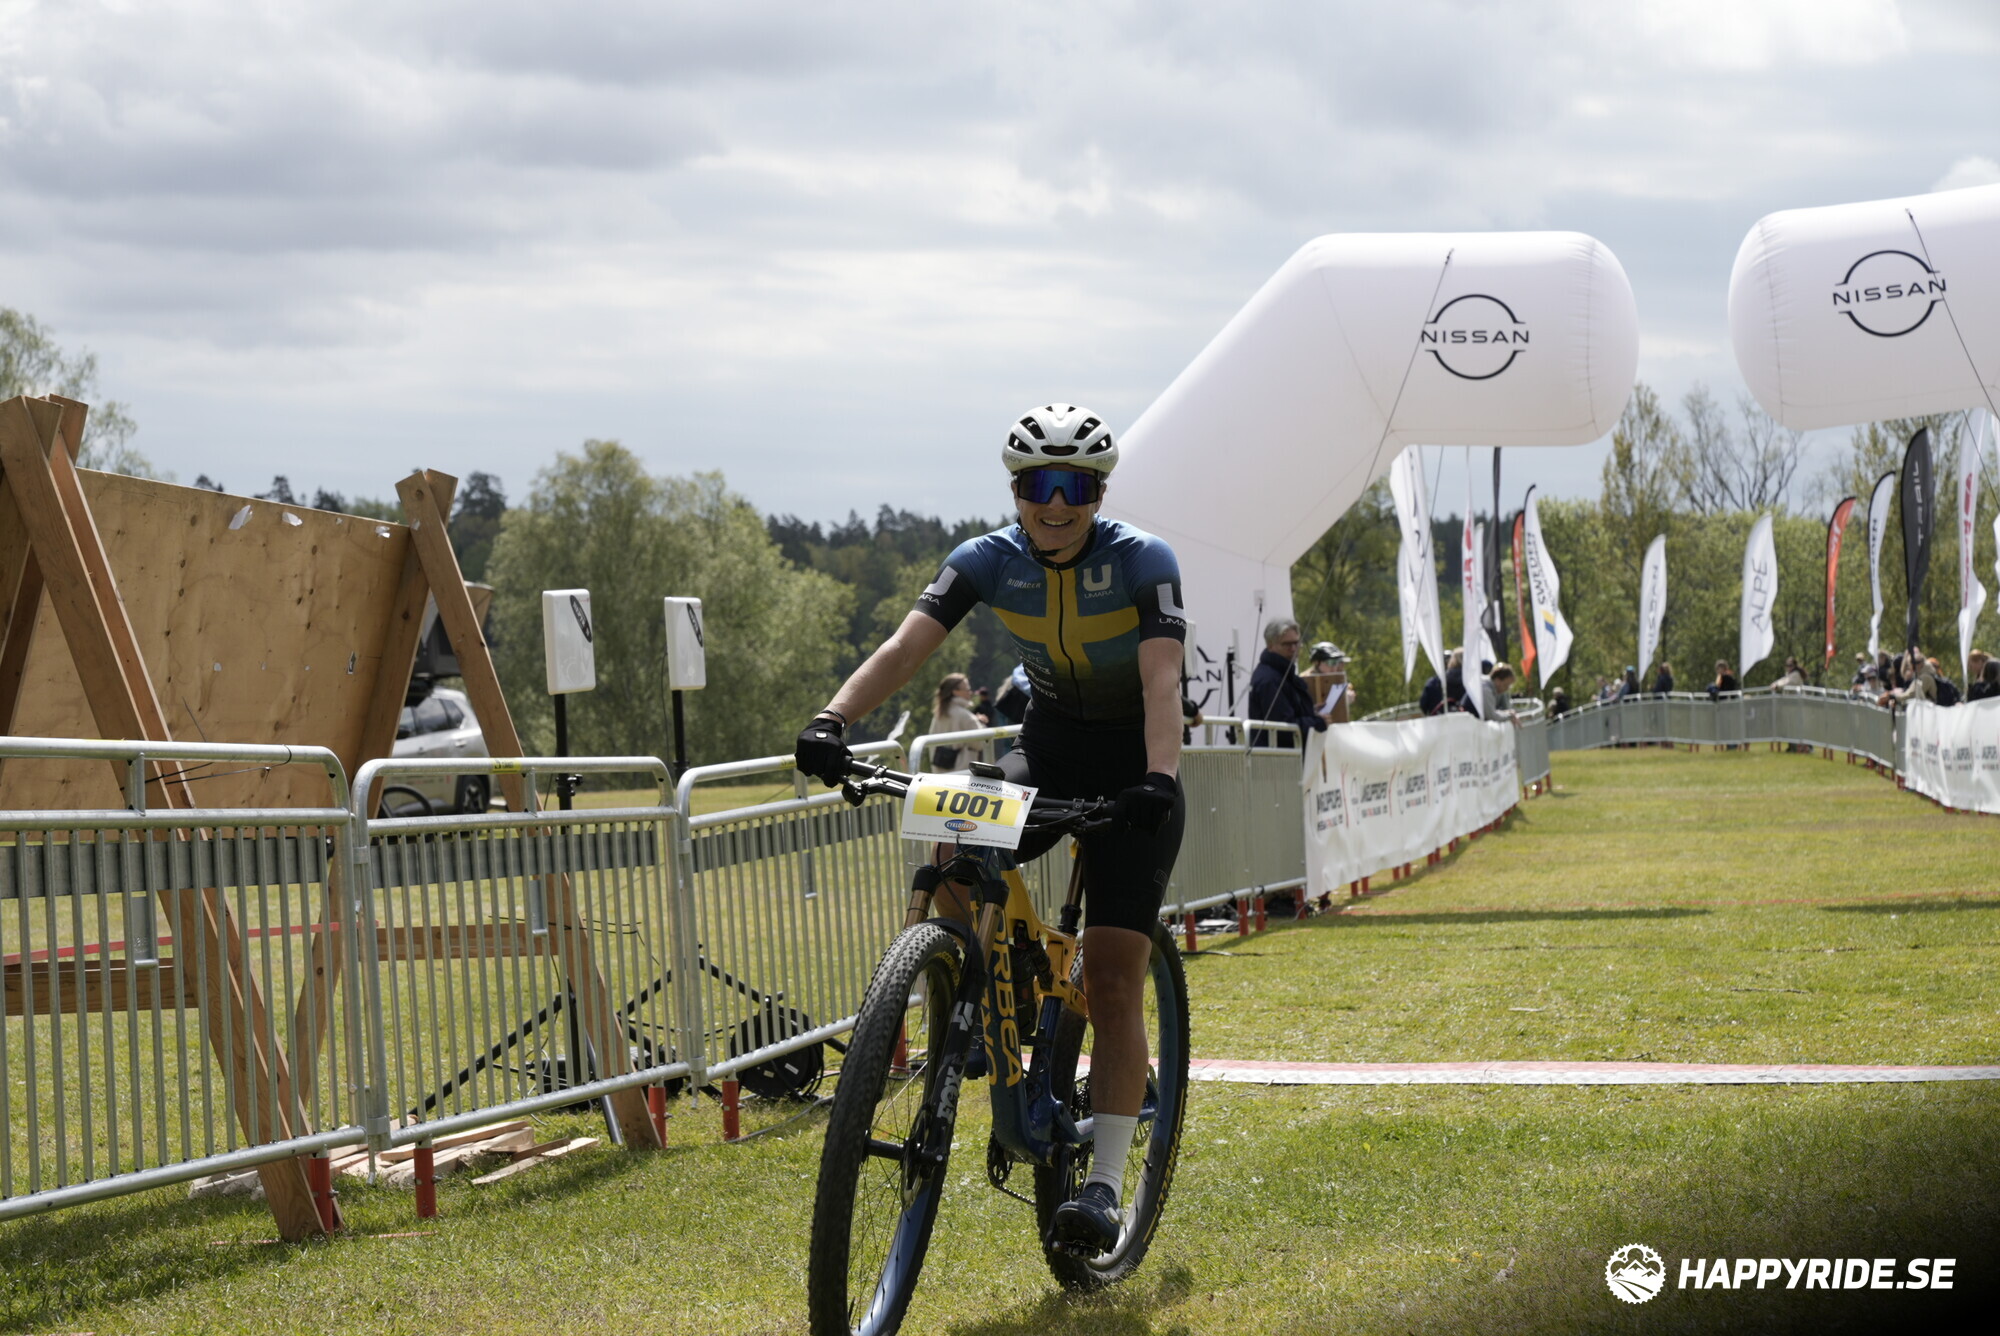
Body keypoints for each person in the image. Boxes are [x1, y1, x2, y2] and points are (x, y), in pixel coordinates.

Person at [793, 402, 1185, 1255]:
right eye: (1039, 485)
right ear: (1016, 491)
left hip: (1133, 768)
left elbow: (1163, 681)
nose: (1056, 503)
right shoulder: (985, 559)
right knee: (951, 843)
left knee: (1114, 981)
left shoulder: (1143, 560)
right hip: (1047, 750)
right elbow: (905, 649)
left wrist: (1159, 777)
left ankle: (1105, 1187)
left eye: (1074, 485)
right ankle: (976, 998)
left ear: (1098, 491)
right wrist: (832, 719)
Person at [1246, 618, 1328, 748]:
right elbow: (1284, 728)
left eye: (1296, 643)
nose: (1294, 648)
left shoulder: (1282, 673)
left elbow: (1287, 711)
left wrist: (1310, 711)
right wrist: (1317, 722)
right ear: (1270, 645)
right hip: (1277, 757)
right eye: (1287, 644)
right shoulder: (1269, 679)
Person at [927, 672, 986, 772]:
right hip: (961, 773)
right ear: (955, 692)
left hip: (939, 773)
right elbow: (980, 743)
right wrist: (981, 724)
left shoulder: (938, 714)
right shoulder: (965, 716)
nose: (970, 692)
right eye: (967, 689)